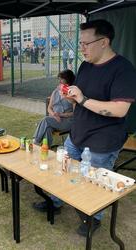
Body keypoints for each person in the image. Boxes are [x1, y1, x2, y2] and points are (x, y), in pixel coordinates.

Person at [34, 19, 136, 237]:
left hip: (103, 141)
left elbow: (120, 110)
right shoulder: (85, 65)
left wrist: (82, 98)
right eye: (80, 43)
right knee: (63, 171)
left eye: (86, 44)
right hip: (77, 134)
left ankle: (93, 217)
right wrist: (71, 98)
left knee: (95, 182)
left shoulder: (123, 69)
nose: (81, 48)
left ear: (104, 42)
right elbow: (80, 102)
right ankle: (55, 202)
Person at [33, 69, 75, 147]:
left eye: (62, 79)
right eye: (59, 79)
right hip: (54, 119)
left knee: (46, 120)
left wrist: (61, 115)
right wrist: (54, 114)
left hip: (67, 121)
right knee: (47, 128)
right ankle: (46, 148)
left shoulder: (74, 92)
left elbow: (75, 113)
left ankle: (36, 142)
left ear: (68, 80)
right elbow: (49, 108)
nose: (60, 81)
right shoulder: (56, 91)